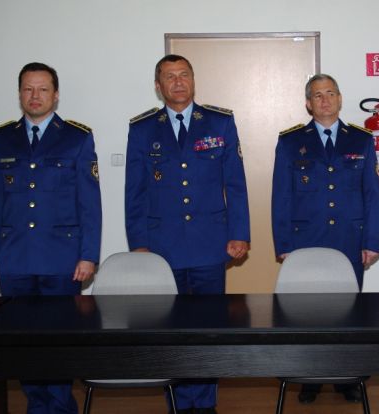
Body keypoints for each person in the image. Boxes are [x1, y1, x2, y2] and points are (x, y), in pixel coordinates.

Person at [125, 54, 250, 414]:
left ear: (193, 81)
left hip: (210, 243)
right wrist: (139, 244)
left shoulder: (219, 122)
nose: (178, 82)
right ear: (158, 86)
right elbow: (134, 192)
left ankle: (205, 402)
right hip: (161, 247)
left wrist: (239, 233)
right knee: (170, 330)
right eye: (169, 76)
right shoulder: (142, 128)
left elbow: (235, 184)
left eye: (184, 75)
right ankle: (178, 402)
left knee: (210, 328)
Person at [0, 62, 102, 413]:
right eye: (28, 89)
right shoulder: (1, 138)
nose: (35, 96)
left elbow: (89, 203)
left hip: (62, 260)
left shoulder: (77, 137)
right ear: (20, 94)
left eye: (43, 89)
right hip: (14, 258)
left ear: (56, 94)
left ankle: (60, 406)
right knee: (23, 344)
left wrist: (88, 255)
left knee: (59, 342)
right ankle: (37, 405)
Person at [271, 73, 379, 403]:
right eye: (317, 95)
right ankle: (310, 377)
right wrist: (284, 244)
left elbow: (371, 195)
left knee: (349, 314)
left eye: (331, 93)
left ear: (340, 98)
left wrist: (371, 241)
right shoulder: (291, 141)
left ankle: (346, 377)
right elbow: (281, 196)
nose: (325, 100)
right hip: (306, 240)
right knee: (307, 314)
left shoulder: (361, 140)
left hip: (350, 239)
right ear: (309, 103)